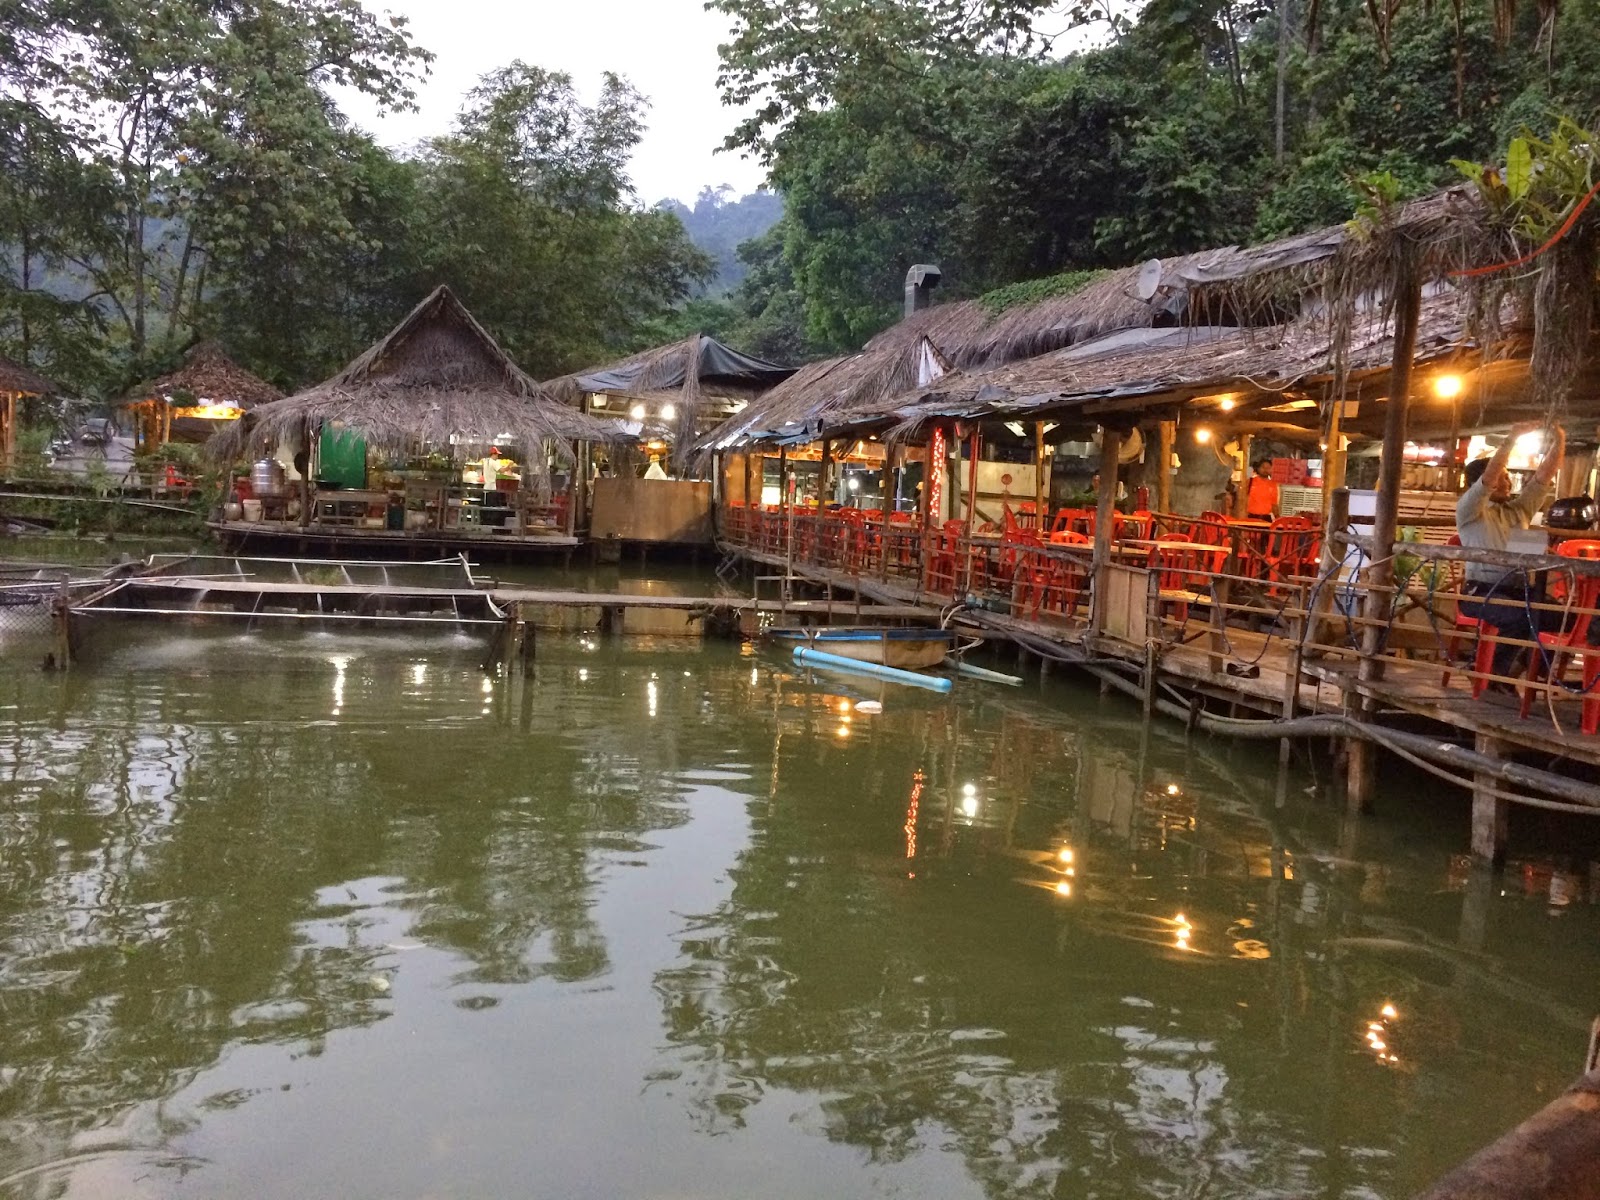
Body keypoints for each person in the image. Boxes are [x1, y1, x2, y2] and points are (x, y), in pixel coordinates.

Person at [1455, 421, 1566, 681]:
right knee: (1520, 618)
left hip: (1519, 590)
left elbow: (1543, 476)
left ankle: (1525, 673)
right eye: (1503, 477)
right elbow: (1488, 478)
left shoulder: (1518, 510)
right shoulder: (1470, 510)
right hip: (1480, 592)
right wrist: (1511, 438)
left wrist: (1559, 439)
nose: (1507, 482)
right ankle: (1488, 675)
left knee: (1564, 619)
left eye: (1507, 477)